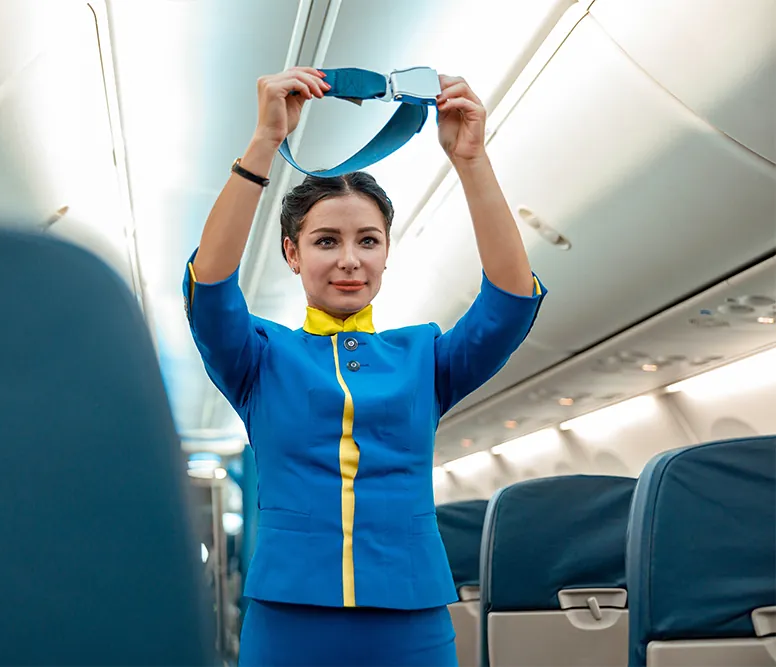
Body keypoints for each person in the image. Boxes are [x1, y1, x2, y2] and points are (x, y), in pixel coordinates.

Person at [181, 67, 546, 666]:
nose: (350, 260)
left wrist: (471, 160)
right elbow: (211, 287)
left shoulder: (424, 357)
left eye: (367, 241)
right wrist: (264, 142)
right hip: (288, 619)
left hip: (412, 620)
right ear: (292, 253)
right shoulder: (260, 358)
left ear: (385, 252)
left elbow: (509, 304)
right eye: (326, 241)